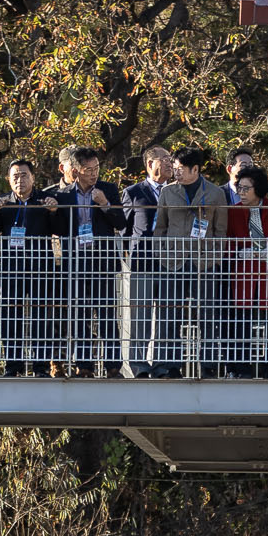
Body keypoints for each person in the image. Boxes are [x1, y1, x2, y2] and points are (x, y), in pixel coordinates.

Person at [53, 144, 125, 377]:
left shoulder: (109, 189)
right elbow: (59, 229)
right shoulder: (62, 195)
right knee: (79, 314)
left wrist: (105, 204)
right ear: (75, 171)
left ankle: (114, 366)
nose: (94, 173)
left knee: (106, 313)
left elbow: (121, 223)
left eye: (96, 168)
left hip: (102, 261)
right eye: (88, 169)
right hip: (75, 262)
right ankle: (84, 366)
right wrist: (52, 213)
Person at [155, 148, 228, 377]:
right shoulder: (167, 191)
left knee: (207, 313)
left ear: (195, 169)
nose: (176, 173)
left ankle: (208, 364)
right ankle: (169, 364)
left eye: (180, 169)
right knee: (169, 313)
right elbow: (161, 227)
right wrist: (162, 254)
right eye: (174, 168)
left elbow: (220, 230)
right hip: (173, 260)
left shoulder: (215, 193)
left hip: (203, 262)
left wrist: (215, 258)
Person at [0, 158, 57, 376]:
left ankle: (40, 367)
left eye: (24, 175)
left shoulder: (44, 201)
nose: (20, 180)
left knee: (41, 317)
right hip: (11, 269)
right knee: (10, 317)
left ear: (33, 177)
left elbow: (60, 229)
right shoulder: (2, 202)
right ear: (8, 180)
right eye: (15, 176)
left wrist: (53, 211)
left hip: (41, 268)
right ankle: (13, 365)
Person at [226, 166, 268, 377]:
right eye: (239, 188)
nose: (242, 193)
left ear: (258, 189)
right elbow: (227, 240)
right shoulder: (234, 210)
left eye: (246, 188)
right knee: (241, 321)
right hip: (244, 274)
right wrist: (240, 252)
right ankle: (241, 367)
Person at [122, 146, 172, 377]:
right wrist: (128, 255)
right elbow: (124, 229)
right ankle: (139, 364)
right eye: (163, 159)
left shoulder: (177, 191)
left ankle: (162, 364)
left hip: (170, 261)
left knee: (166, 314)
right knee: (140, 315)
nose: (169, 163)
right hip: (142, 261)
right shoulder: (133, 192)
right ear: (150, 164)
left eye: (170, 159)